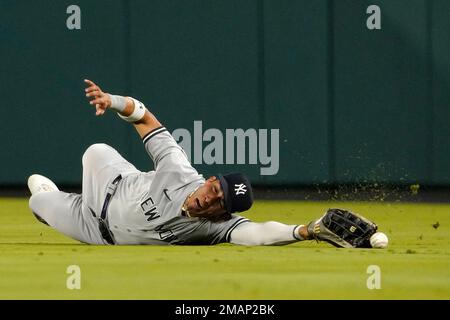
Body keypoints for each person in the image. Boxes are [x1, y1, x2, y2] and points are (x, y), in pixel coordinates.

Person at [27, 79, 376, 248]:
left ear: (223, 215)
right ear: (210, 179)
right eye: (215, 188)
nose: (210, 197)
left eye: (219, 203)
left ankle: (51, 196)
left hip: (97, 233)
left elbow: (259, 233)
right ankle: (66, 192)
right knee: (96, 149)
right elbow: (145, 117)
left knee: (38, 201)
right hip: (112, 180)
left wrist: (305, 230)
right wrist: (113, 100)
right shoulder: (180, 170)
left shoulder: (216, 229)